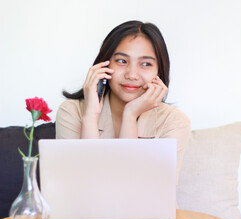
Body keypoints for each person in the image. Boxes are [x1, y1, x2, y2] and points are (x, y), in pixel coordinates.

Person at [56, 20, 191, 181]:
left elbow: (136, 191)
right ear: (104, 63)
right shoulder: (71, 112)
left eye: (146, 64)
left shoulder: (174, 122)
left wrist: (130, 115)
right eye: (122, 61)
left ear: (159, 71)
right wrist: (91, 117)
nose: (132, 75)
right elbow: (79, 185)